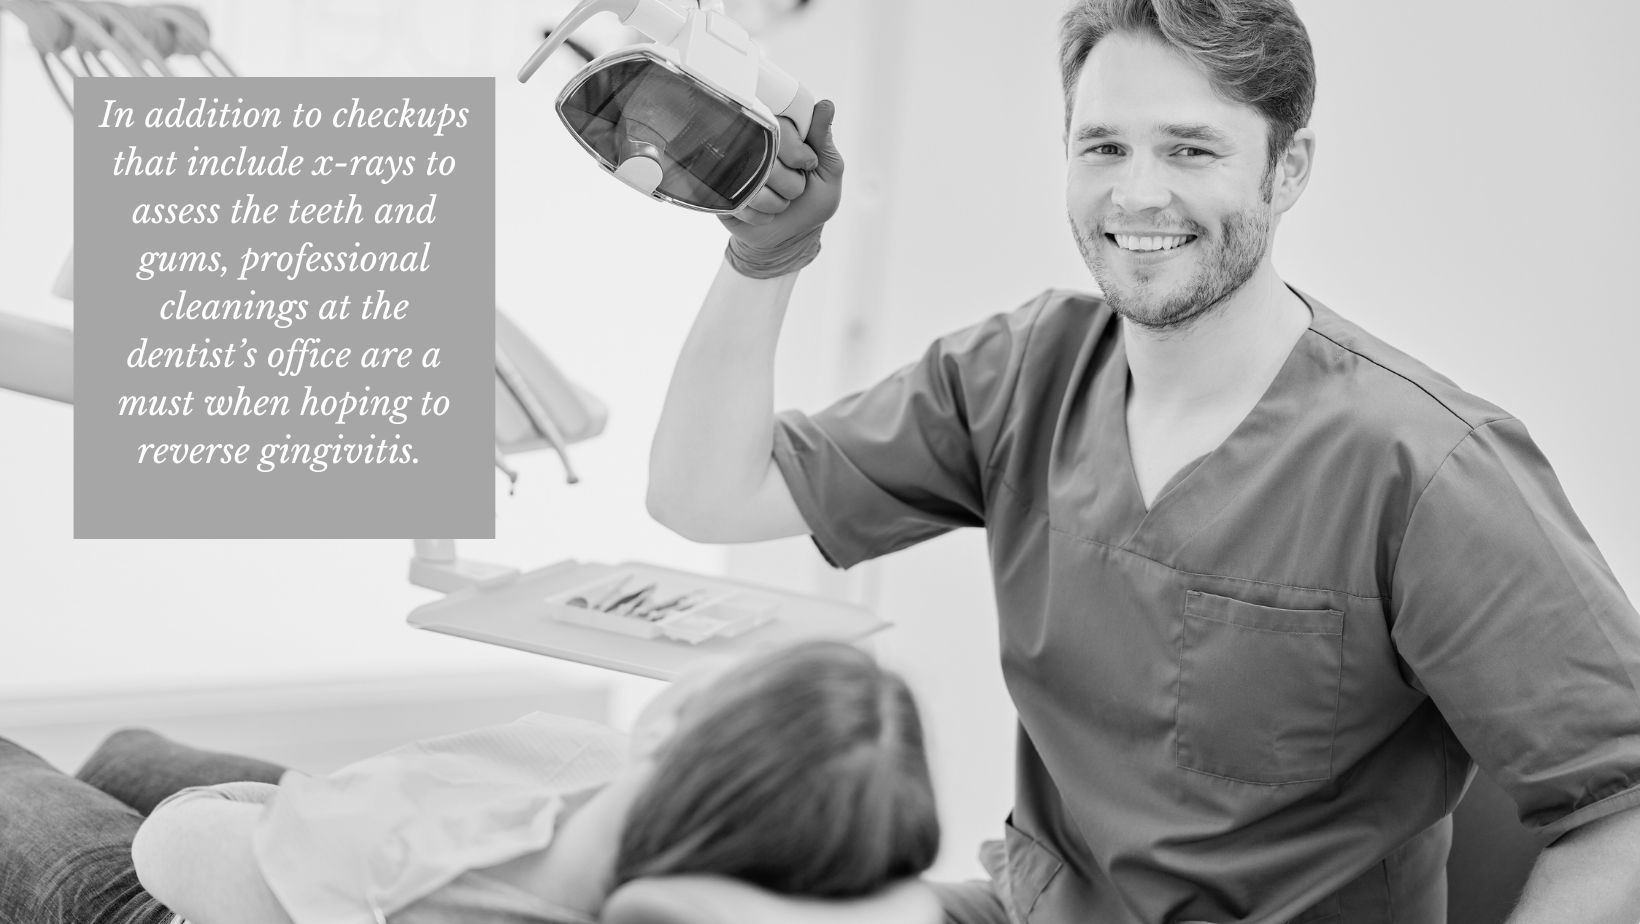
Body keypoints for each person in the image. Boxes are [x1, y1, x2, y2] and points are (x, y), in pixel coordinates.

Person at [643, 1, 1640, 922]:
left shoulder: (1420, 464)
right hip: (1029, 910)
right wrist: (763, 255)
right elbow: (705, 493)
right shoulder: (1022, 376)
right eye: (1104, 146)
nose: (1137, 191)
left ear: (1285, 169)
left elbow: (1623, 810)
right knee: (665, 902)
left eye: (1190, 148)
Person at [0, 640, 938, 924]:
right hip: (345, 843)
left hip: (199, 895)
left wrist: (262, 815)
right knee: (125, 748)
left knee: (28, 780)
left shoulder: (415, 873)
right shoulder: (657, 844)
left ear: (681, 727)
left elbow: (170, 852)